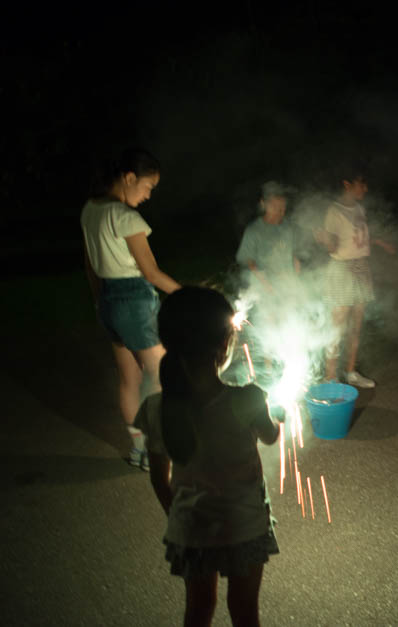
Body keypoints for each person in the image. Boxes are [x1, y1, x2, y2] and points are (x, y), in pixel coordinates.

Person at [136, 286, 280, 627]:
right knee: (245, 611)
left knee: (198, 609)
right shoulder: (248, 399)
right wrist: (273, 413)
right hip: (244, 526)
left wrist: (183, 516)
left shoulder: (156, 408)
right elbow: (271, 437)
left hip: (191, 530)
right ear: (225, 344)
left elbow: (159, 478)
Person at [80, 148, 181, 471]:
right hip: (133, 299)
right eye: (147, 187)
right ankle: (160, 449)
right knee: (161, 374)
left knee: (129, 378)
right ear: (129, 178)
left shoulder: (90, 210)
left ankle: (139, 450)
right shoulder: (127, 218)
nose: (149, 195)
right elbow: (150, 273)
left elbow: (90, 265)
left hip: (108, 300)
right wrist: (187, 294)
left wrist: (100, 301)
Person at [316, 167, 394, 387]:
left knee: (356, 325)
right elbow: (332, 246)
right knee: (337, 325)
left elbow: (359, 235)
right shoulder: (334, 211)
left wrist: (379, 242)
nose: (365, 188)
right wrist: (323, 239)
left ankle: (350, 372)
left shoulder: (359, 208)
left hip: (361, 268)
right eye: (362, 183)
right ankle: (330, 377)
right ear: (347, 184)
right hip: (342, 269)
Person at [235, 181, 301, 292]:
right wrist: (266, 284)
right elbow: (249, 261)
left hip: (287, 283)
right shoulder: (254, 230)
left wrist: (296, 268)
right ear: (263, 204)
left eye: (282, 207)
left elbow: (292, 252)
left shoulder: (288, 227)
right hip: (264, 286)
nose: (279, 212)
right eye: (274, 207)